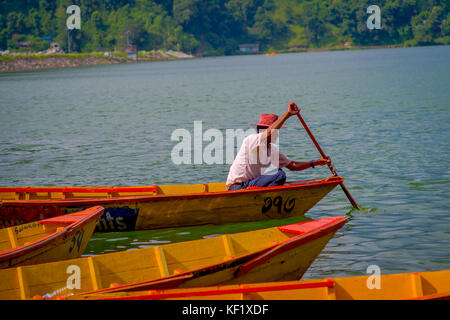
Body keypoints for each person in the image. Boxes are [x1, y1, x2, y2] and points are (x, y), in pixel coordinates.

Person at [226, 101, 331, 191]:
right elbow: (268, 133)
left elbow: (292, 165)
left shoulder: (272, 149)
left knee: (277, 173)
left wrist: (317, 162)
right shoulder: (252, 140)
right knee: (279, 175)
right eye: (276, 131)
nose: (277, 134)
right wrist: (287, 114)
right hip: (237, 187)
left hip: (250, 184)